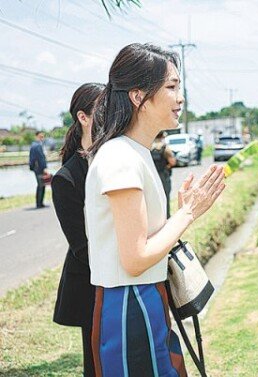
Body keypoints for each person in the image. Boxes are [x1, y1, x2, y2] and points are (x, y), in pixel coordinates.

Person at [85, 43, 226, 376]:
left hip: (145, 296)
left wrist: (182, 213)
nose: (180, 98)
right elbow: (135, 258)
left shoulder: (135, 152)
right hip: (129, 302)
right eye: (172, 87)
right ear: (138, 96)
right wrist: (188, 213)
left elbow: (144, 241)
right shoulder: (120, 157)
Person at [52, 82, 105, 376]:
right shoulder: (66, 179)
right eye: (102, 108)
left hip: (123, 276)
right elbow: (80, 246)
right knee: (96, 363)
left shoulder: (116, 157)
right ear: (83, 117)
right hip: (91, 283)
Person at [151, 131, 176, 217]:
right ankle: (166, 217)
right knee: (166, 197)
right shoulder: (165, 148)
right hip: (163, 175)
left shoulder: (149, 147)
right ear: (162, 136)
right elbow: (172, 162)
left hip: (152, 176)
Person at [29, 131, 48, 208]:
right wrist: (44, 168)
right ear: (36, 136)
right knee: (41, 185)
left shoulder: (34, 145)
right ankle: (39, 203)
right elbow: (41, 158)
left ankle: (40, 202)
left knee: (41, 185)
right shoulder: (37, 146)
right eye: (40, 137)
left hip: (36, 168)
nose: (42, 138)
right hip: (39, 168)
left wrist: (32, 167)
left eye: (43, 137)